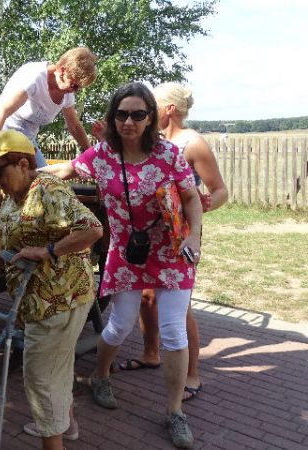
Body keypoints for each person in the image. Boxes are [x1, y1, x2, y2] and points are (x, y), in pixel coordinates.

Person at [42, 82, 203, 449]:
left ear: (150, 118)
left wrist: (193, 236)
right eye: (121, 114)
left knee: (173, 332)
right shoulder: (103, 155)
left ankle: (175, 412)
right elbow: (67, 170)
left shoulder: (169, 154)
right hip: (127, 253)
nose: (129, 121)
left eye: (137, 114)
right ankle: (100, 376)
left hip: (171, 251)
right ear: (113, 118)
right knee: (119, 326)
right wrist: (24, 171)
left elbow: (191, 198)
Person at [0, 130, 103, 450]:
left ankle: (53, 437)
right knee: (57, 367)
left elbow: (92, 229)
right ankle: (66, 425)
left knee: (39, 380)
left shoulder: (46, 189)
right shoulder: (16, 193)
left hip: (57, 300)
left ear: (22, 164)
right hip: (45, 299)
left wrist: (48, 251)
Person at [117, 83, 228, 403]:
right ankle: (151, 353)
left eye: (152, 106)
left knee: (179, 308)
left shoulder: (193, 143)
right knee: (146, 297)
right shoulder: (151, 141)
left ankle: (192, 373)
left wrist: (201, 207)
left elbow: (220, 190)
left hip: (180, 235)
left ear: (168, 109)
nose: (146, 112)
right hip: (150, 234)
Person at [0, 47, 98, 167]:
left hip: (26, 142)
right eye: (74, 85)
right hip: (2, 134)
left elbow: (75, 126)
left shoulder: (67, 96)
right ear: (62, 71)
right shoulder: (34, 77)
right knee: (15, 175)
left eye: (79, 88)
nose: (75, 91)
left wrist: (92, 155)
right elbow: (1, 111)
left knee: (43, 177)